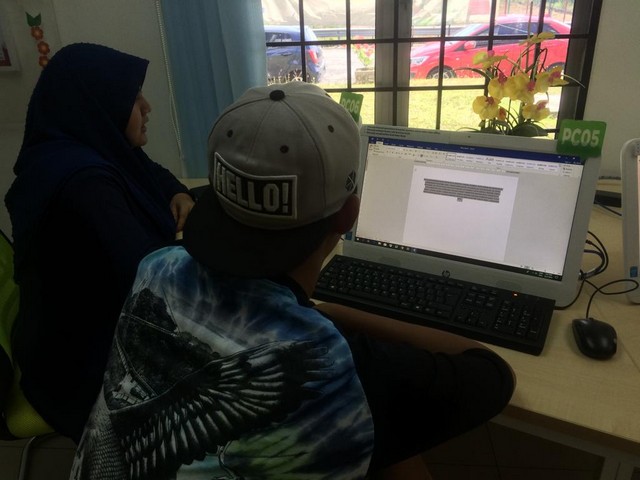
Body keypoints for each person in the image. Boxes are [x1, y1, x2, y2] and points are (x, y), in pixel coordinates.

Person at [70, 82, 515, 479]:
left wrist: (319, 312)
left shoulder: (157, 267)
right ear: (348, 214)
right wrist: (333, 315)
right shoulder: (333, 368)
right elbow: (491, 372)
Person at [4, 43, 195, 443]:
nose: (147, 107)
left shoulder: (84, 146)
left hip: (59, 332)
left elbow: (151, 171)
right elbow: (152, 282)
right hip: (82, 365)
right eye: (133, 99)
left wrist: (179, 193)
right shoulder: (83, 184)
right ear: (99, 103)